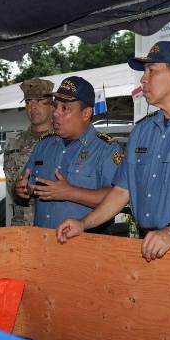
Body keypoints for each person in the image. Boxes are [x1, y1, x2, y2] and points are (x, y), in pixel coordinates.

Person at [56, 41, 170, 260]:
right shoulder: (142, 130)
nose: (143, 78)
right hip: (148, 242)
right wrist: (83, 224)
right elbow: (122, 192)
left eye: (152, 70)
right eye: (144, 71)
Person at [14, 76, 122, 231]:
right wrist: (21, 189)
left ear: (86, 114)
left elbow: (117, 196)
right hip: (42, 239)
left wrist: (70, 192)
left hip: (85, 241)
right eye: (55, 106)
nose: (56, 113)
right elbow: (23, 185)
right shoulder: (44, 145)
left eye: (65, 108)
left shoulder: (106, 149)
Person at [4, 78, 54, 226]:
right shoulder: (14, 144)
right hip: (23, 226)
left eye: (38, 101)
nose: (33, 107)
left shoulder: (64, 140)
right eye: (28, 102)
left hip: (56, 226)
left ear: (52, 105)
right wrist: (18, 190)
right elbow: (12, 189)